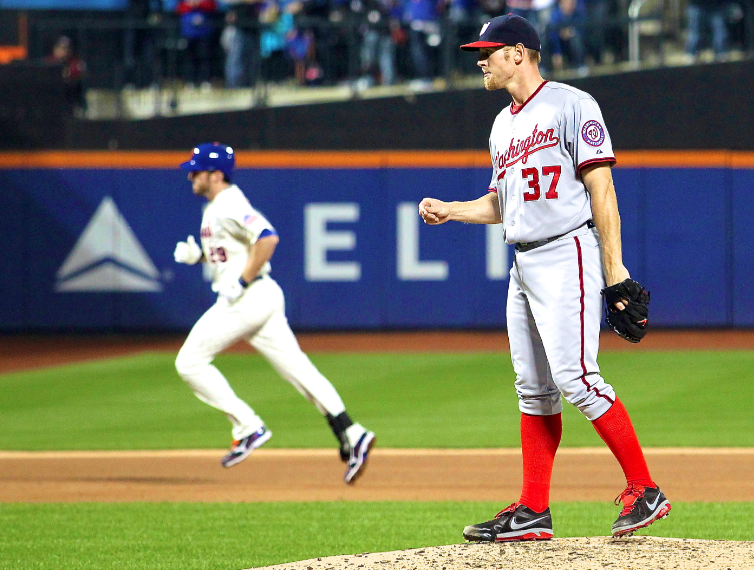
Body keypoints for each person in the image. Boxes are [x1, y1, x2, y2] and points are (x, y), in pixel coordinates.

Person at [418, 14, 670, 541]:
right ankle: (533, 510)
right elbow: (502, 202)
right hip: (524, 261)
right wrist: (454, 210)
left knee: (576, 379)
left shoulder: (572, 105)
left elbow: (602, 191)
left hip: (567, 252)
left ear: (519, 52)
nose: (481, 60)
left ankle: (645, 489)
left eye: (488, 51)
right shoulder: (501, 125)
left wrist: (615, 272)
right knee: (533, 391)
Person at [173, 143, 376, 483]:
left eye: (197, 170)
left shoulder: (228, 203)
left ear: (217, 174)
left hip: (248, 297)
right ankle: (352, 432)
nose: (190, 175)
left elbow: (267, 238)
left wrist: (241, 280)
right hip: (259, 297)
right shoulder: (215, 207)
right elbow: (235, 251)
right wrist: (201, 257)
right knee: (299, 370)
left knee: (189, 362)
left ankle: (248, 425)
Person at [43, 35, 87, 115]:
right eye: (61, 48)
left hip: (69, 97)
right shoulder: (49, 61)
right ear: (55, 49)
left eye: (66, 48)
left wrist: (66, 73)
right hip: (52, 97)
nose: (63, 51)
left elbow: (78, 72)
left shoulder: (75, 61)